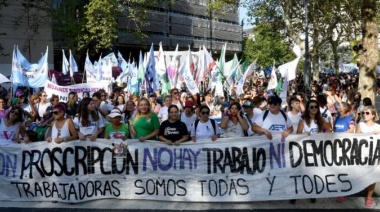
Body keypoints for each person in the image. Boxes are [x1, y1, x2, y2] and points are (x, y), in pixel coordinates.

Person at [355, 106, 380, 207]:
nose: (364, 115)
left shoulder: (378, 127)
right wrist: (371, 134)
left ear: (373, 115)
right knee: (354, 174)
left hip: (373, 155)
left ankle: (369, 196)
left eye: (367, 113)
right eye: (363, 113)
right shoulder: (360, 124)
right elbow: (355, 139)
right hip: (360, 154)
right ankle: (346, 193)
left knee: (371, 176)